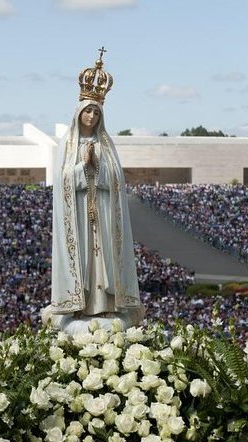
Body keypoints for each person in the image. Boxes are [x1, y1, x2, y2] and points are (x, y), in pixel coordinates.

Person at [43, 49, 144, 334]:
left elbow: (116, 179)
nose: (91, 115)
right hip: (77, 215)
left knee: (104, 258)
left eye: (96, 112)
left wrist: (97, 169)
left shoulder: (106, 144)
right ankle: (80, 303)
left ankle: (105, 302)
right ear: (79, 113)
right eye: (87, 110)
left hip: (101, 210)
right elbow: (62, 181)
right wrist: (81, 167)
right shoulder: (68, 145)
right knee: (84, 258)